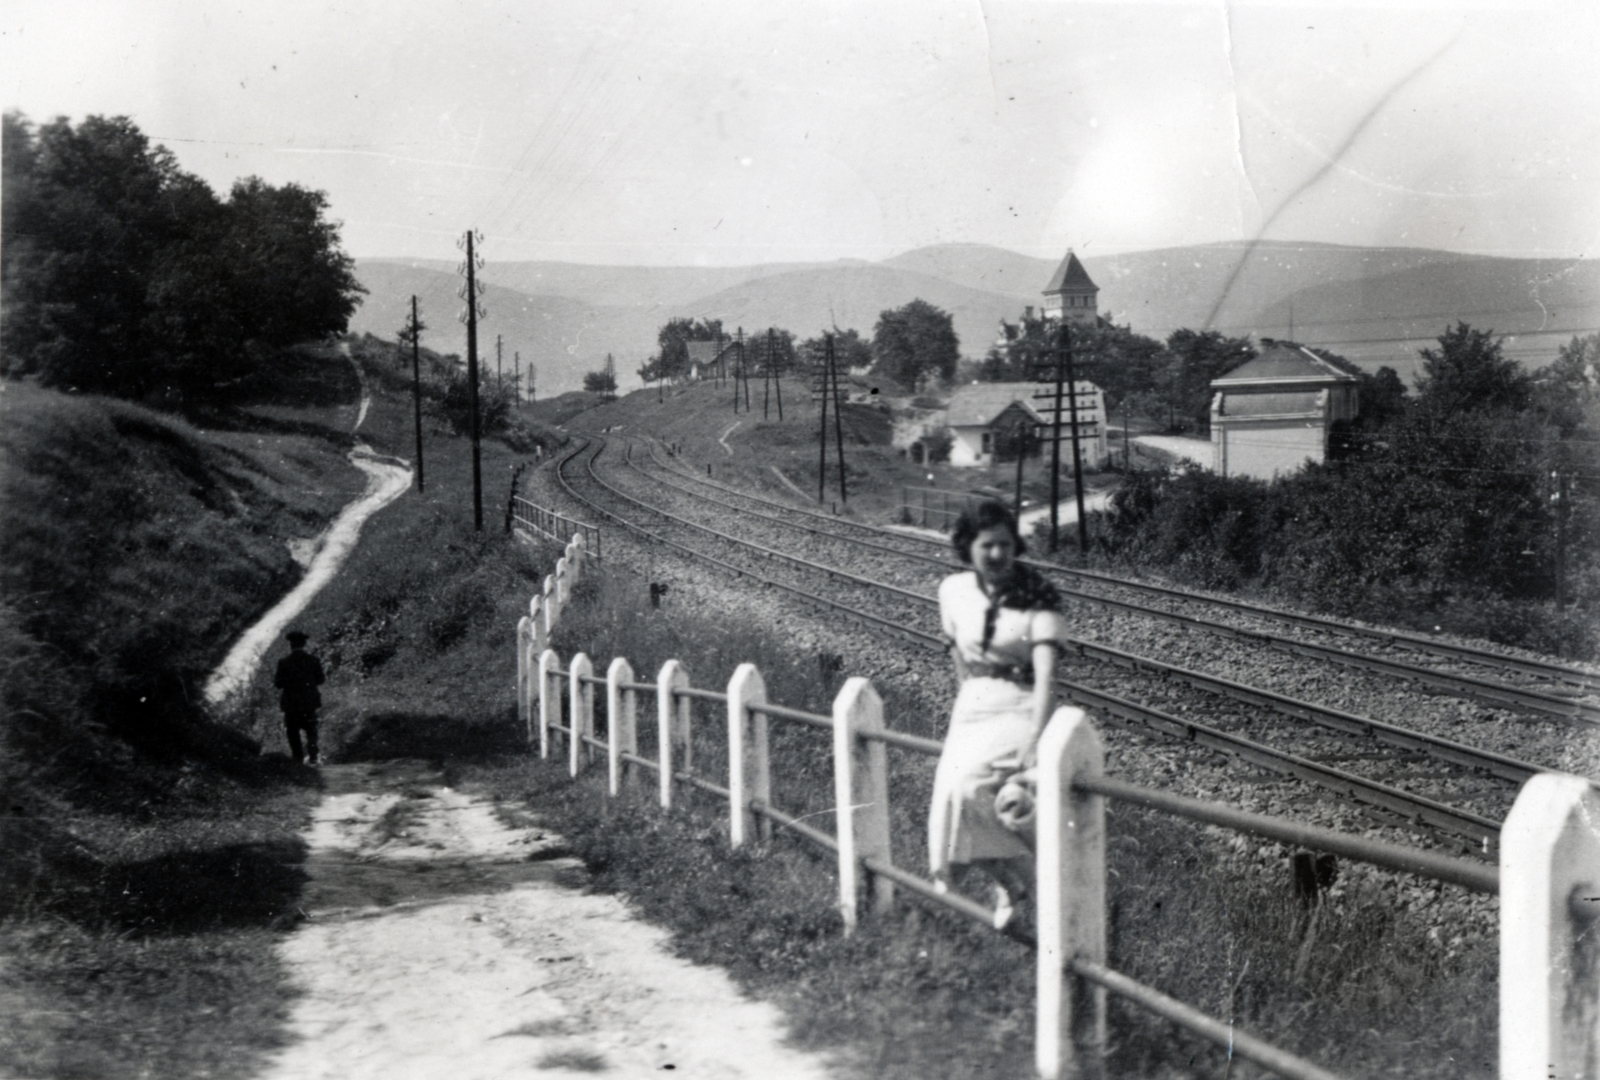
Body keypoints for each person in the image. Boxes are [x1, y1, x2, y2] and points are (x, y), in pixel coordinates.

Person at [930, 500, 1070, 929]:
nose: (996, 554)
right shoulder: (952, 590)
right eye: (987, 545)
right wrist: (967, 694)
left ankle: (1032, 886)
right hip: (973, 704)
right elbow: (955, 650)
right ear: (967, 547)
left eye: (1005, 545)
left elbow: (1047, 677)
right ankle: (1011, 884)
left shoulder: (1039, 595)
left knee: (971, 788)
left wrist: (1035, 740)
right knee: (949, 798)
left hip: (1021, 704)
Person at [274, 629, 325, 765]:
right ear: (304, 644)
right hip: (309, 702)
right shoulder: (313, 660)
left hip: (291, 703)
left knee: (292, 731)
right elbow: (321, 680)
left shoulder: (283, 662)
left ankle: (298, 759)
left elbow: (278, 683)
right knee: (311, 729)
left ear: (291, 644)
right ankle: (313, 756)